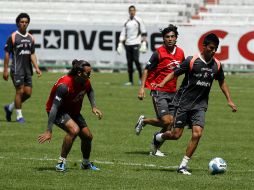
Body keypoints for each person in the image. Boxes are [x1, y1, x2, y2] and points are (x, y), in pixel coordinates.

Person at [152, 33, 237, 175]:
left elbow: (222, 82)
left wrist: (229, 99)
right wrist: (161, 83)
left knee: (197, 134)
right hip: (183, 102)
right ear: (204, 46)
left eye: (215, 48)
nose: (213, 51)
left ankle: (182, 166)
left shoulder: (217, 65)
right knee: (175, 135)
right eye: (211, 48)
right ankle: (158, 137)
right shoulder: (192, 61)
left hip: (200, 105)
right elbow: (174, 73)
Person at [38, 59, 103, 172]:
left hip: (73, 111)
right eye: (88, 73)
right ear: (79, 73)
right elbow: (54, 108)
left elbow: (90, 91)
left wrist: (94, 106)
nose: (90, 75)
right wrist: (49, 130)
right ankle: (61, 162)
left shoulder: (85, 80)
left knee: (88, 137)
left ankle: (86, 164)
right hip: (57, 111)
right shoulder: (64, 85)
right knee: (74, 130)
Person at [135, 25, 185, 157]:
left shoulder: (181, 53)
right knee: (167, 121)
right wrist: (142, 88)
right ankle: (144, 122)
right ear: (163, 38)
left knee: (170, 124)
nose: (170, 39)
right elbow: (146, 69)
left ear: (176, 38)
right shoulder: (158, 53)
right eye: (167, 37)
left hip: (173, 92)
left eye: (172, 36)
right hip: (159, 91)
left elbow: (183, 70)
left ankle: (155, 147)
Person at [3, 13, 42, 123]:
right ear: (18, 23)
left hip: (27, 70)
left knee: (28, 93)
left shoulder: (31, 37)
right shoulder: (13, 36)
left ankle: (9, 108)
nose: (24, 24)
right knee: (19, 91)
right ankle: (19, 116)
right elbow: (7, 54)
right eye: (22, 22)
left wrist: (37, 68)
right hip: (17, 69)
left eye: (26, 22)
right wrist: (5, 70)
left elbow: (32, 54)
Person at [117, 5, 147, 86]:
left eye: (133, 10)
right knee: (129, 62)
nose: (132, 12)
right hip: (128, 44)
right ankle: (130, 81)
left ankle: (141, 79)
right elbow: (123, 33)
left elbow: (143, 31)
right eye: (130, 10)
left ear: (135, 11)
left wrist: (144, 42)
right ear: (129, 11)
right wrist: (120, 43)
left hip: (136, 43)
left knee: (136, 60)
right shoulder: (126, 21)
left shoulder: (138, 20)